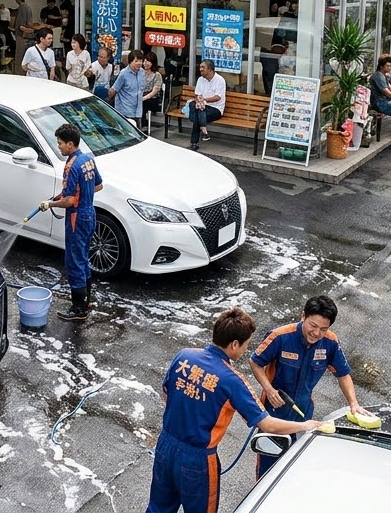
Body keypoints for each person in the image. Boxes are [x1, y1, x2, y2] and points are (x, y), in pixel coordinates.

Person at [146, 308, 323, 513]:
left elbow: (166, 393)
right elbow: (266, 424)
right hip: (198, 460)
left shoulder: (184, 356)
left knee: (158, 508)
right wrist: (306, 425)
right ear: (234, 344)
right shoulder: (232, 380)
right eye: (246, 345)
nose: (245, 350)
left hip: (165, 446)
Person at [249, 295, 373, 477]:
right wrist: (269, 389)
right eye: (313, 326)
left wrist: (353, 403)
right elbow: (255, 362)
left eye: (323, 329)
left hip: (304, 412)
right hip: (275, 412)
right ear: (303, 316)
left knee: (295, 465)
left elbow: (343, 374)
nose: (316, 333)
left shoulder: (330, 342)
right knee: (269, 466)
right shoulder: (280, 337)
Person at [37, 123, 103, 322]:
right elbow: (98, 185)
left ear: (70, 144)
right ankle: (86, 301)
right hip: (89, 213)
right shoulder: (87, 160)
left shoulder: (71, 166)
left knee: (74, 261)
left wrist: (50, 203)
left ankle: (78, 309)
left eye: (60, 143)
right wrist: (68, 194)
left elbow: (69, 201)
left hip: (76, 217)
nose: (59, 147)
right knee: (83, 258)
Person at [187, 60, 225, 152]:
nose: (200, 69)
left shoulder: (220, 80)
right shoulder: (200, 79)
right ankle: (203, 132)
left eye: (203, 67)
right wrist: (199, 100)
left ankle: (194, 142)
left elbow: (217, 97)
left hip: (215, 108)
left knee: (197, 115)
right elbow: (197, 94)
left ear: (210, 70)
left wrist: (204, 100)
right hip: (202, 106)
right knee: (193, 104)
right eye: (200, 67)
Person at [111, 50, 146, 122]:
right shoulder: (123, 74)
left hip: (138, 111)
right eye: (136, 61)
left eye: (140, 61)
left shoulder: (142, 72)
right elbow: (114, 90)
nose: (139, 63)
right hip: (125, 112)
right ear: (130, 62)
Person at [141, 56, 164, 125]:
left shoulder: (157, 75)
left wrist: (143, 98)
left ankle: (142, 123)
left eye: (148, 61)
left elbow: (154, 92)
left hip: (152, 98)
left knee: (142, 104)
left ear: (153, 63)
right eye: (144, 61)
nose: (145, 63)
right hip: (141, 95)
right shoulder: (140, 73)